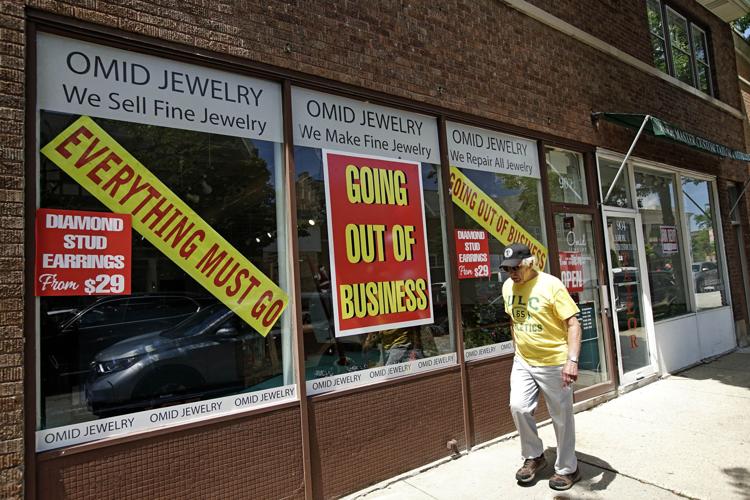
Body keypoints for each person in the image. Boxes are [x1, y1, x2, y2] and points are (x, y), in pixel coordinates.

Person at [500, 243, 582, 491]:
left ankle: (568, 468)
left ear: (530, 263)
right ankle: (534, 455)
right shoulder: (507, 287)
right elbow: (514, 322)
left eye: (516, 268)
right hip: (524, 361)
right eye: (506, 269)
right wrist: (518, 351)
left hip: (554, 362)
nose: (512, 273)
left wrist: (572, 360)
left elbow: (573, 324)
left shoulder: (551, 285)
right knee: (519, 407)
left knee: (561, 416)